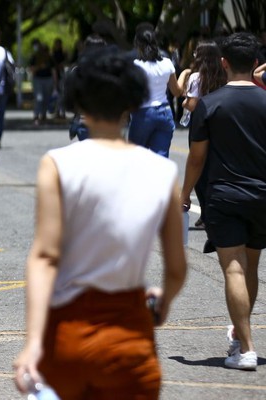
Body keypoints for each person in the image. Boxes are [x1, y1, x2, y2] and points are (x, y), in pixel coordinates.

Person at [13, 50, 187, 398]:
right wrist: (163, 302)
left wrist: (33, 343)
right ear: (131, 104)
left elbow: (45, 257)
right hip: (131, 340)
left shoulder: (58, 164)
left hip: (68, 335)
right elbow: (176, 266)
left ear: (80, 104)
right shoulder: (162, 171)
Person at [181, 32, 266, 371]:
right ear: (255, 62)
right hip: (262, 197)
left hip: (225, 196)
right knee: (252, 267)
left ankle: (245, 348)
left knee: (233, 267)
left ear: (224, 62)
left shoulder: (210, 104)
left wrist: (184, 192)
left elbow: (196, 158)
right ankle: (239, 334)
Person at [180, 40, 227, 230]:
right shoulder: (224, 76)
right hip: (221, 123)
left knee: (198, 169)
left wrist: (184, 103)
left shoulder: (196, 77)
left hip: (200, 125)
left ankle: (207, 214)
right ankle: (213, 213)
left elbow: (192, 105)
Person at [128, 29, 185, 158]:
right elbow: (176, 91)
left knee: (135, 157)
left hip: (143, 113)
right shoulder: (167, 63)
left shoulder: (136, 66)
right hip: (164, 112)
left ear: (138, 45)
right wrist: (185, 74)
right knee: (161, 159)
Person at [29, 39, 57, 126]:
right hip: (38, 80)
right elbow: (32, 70)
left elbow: (53, 71)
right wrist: (40, 67)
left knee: (46, 99)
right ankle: (36, 116)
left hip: (48, 80)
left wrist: (55, 84)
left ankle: (43, 116)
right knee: (39, 98)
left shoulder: (50, 59)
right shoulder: (34, 57)